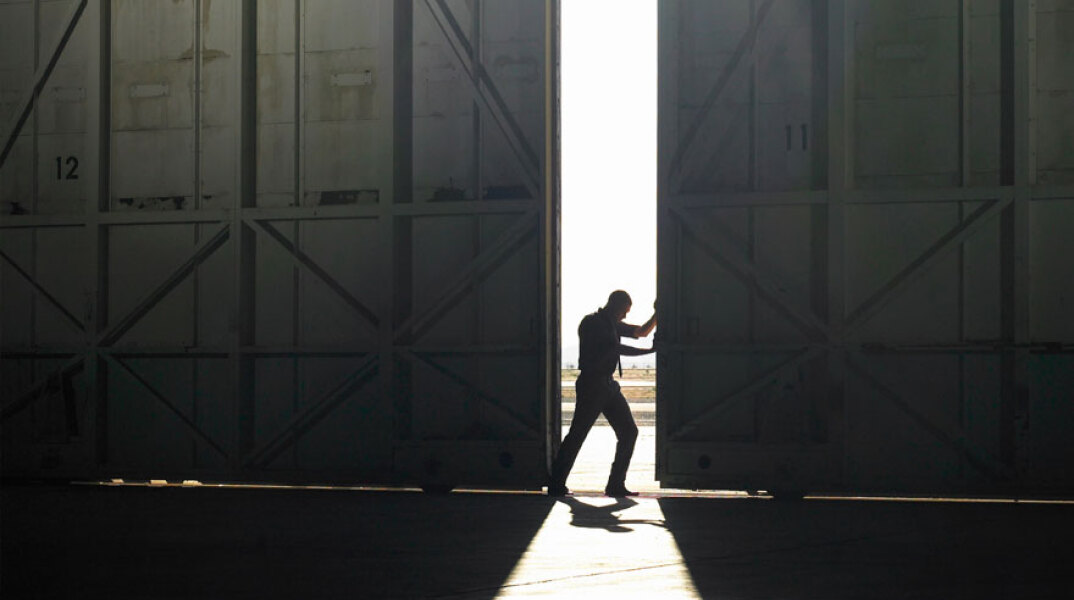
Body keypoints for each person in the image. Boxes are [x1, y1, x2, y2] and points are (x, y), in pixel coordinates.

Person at [548, 290, 656, 497]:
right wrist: (649, 352)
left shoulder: (611, 323)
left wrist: (657, 314)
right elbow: (617, 348)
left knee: (628, 432)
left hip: (607, 384)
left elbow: (641, 332)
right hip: (592, 384)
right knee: (578, 434)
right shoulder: (592, 323)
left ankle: (615, 485)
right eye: (625, 311)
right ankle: (556, 483)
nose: (625, 316)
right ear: (616, 306)